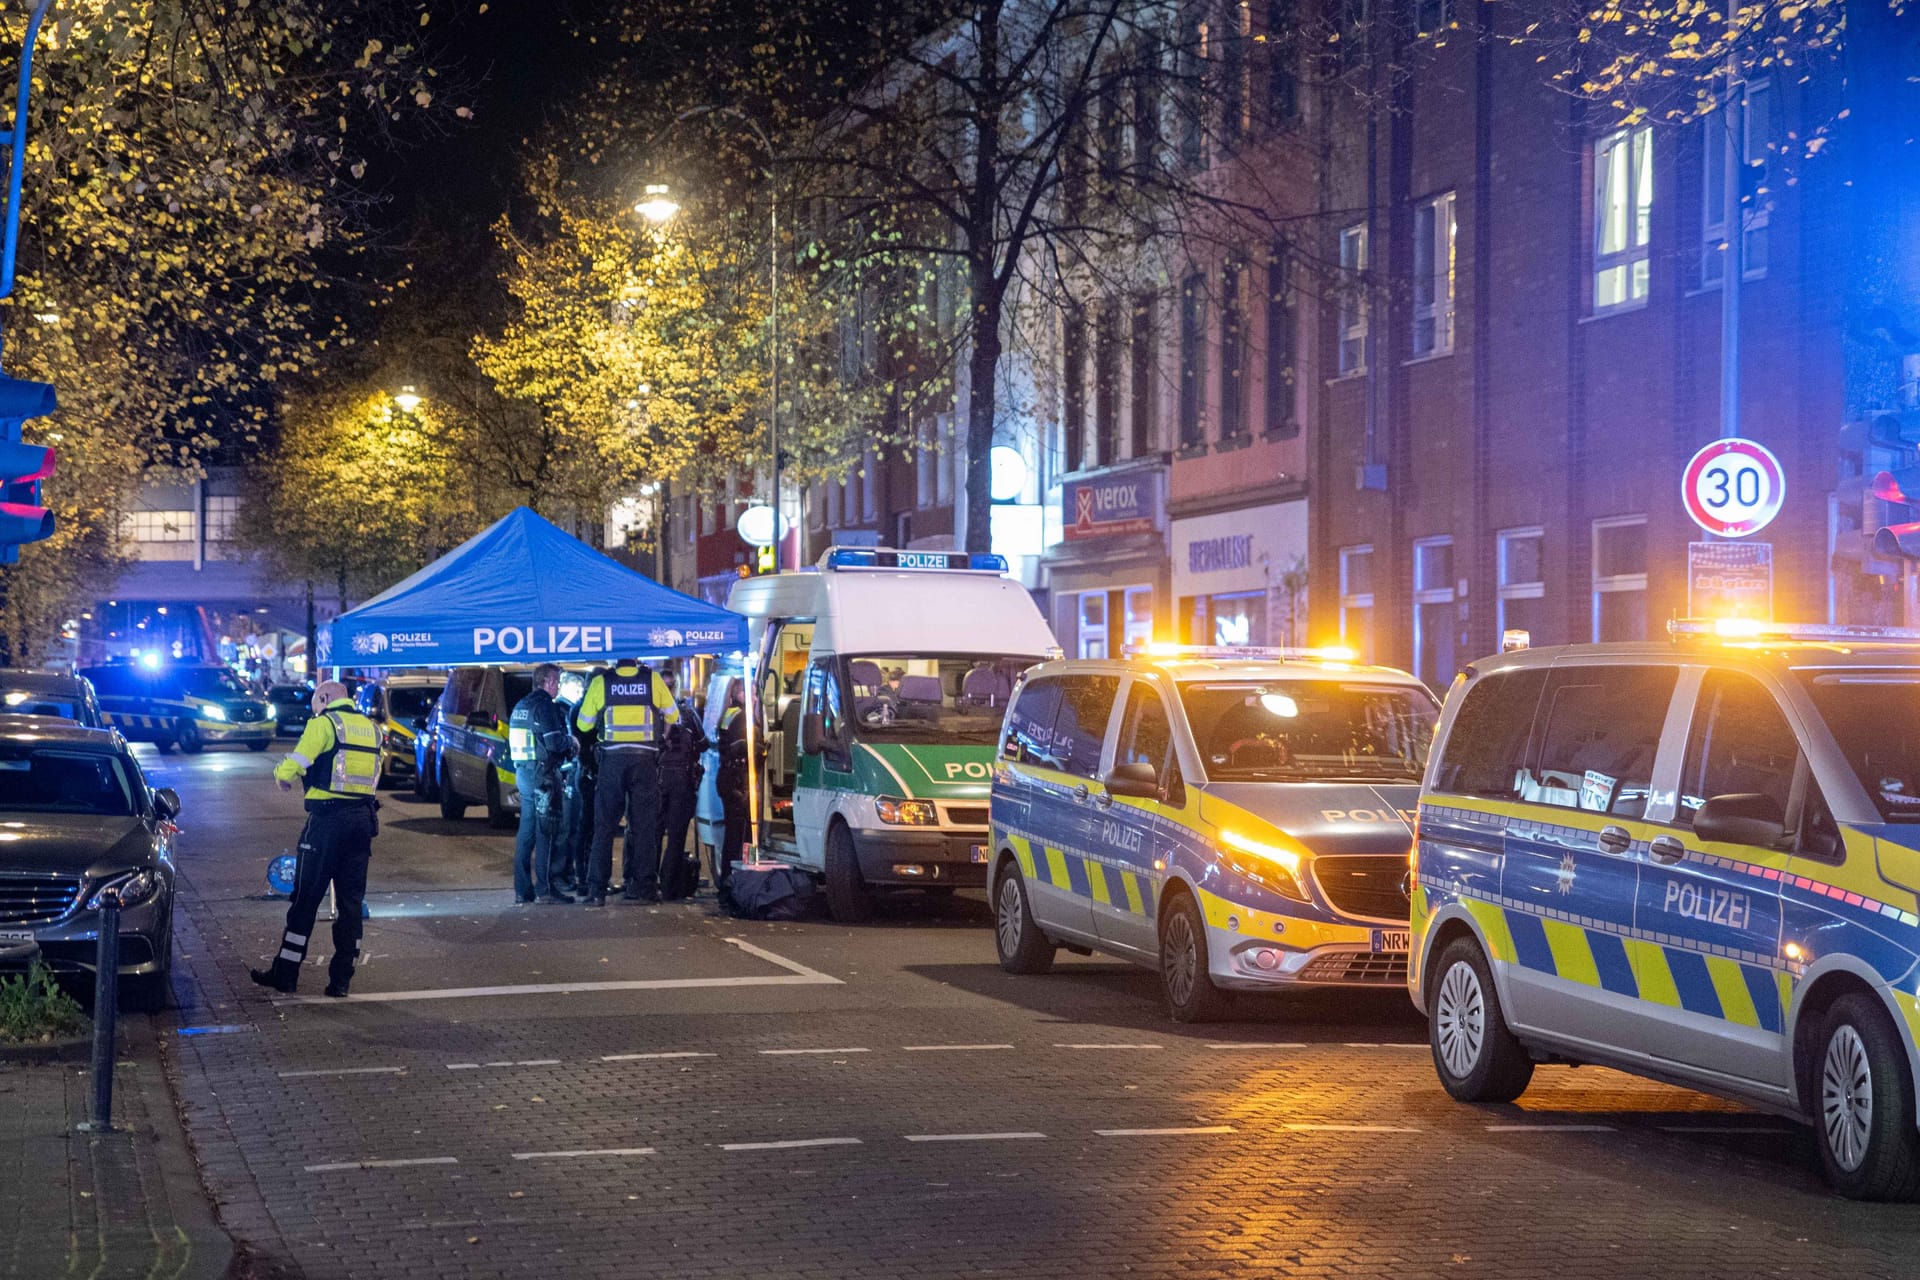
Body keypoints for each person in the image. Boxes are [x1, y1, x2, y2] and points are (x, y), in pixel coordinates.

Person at [251, 680, 380, 998]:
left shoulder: (324, 725)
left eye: (316, 705)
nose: (316, 710)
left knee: (305, 900)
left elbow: (298, 761)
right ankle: (341, 980)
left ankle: (286, 974)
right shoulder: (371, 728)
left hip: (327, 823)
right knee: (350, 904)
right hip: (362, 821)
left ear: (324, 699)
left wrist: (282, 775)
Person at [574, 657, 680, 905]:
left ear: (615, 660)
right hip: (645, 760)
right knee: (644, 826)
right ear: (636, 660)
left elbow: (583, 724)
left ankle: (597, 890)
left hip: (612, 760)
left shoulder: (602, 682)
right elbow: (674, 717)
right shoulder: (652, 680)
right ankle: (643, 888)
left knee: (604, 826)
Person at [508, 663, 576, 904]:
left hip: (524, 774)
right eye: (556, 682)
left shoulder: (521, 705)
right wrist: (572, 742)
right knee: (547, 831)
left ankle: (522, 890)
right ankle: (545, 889)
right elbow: (555, 744)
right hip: (542, 776)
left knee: (526, 832)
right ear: (546, 682)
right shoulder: (545, 706)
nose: (558, 686)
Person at [655, 668, 710, 900]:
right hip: (680, 780)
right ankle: (669, 887)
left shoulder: (650, 712)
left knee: (652, 834)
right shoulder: (686, 713)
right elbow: (703, 743)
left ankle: (647, 884)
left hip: (657, 778)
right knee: (676, 836)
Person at [715, 679, 751, 897]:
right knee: (739, 836)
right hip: (737, 780)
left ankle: (726, 883)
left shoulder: (727, 713)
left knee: (731, 835)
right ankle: (734, 886)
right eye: (751, 693)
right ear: (739, 694)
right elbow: (744, 749)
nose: (755, 698)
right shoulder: (742, 717)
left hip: (726, 777)